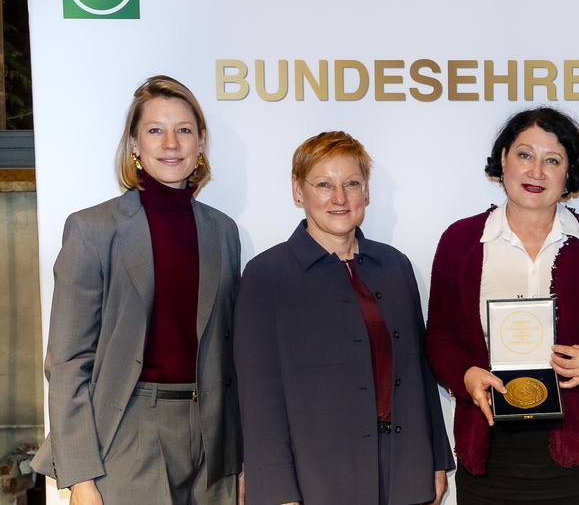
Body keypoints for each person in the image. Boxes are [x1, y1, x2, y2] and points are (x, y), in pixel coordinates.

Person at [30, 76, 242, 504]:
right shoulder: (92, 230)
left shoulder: (223, 231)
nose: (171, 142)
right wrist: (82, 478)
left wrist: (239, 460)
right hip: (126, 436)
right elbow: (69, 362)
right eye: (154, 130)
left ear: (201, 143)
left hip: (212, 443)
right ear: (133, 143)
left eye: (184, 130)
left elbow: (230, 355)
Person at [424, 107, 579, 505]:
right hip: (487, 450)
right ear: (503, 158)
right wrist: (466, 375)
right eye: (525, 155)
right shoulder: (459, 242)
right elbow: (439, 336)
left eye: (552, 160)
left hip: (577, 454)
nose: (536, 172)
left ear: (568, 172)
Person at [234, 131, 454, 505]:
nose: (339, 198)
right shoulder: (266, 275)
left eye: (351, 183)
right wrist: (277, 491)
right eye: (324, 184)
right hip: (315, 480)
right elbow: (258, 397)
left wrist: (434, 460)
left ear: (366, 192)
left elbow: (418, 371)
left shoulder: (396, 266)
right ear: (297, 190)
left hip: (402, 469)